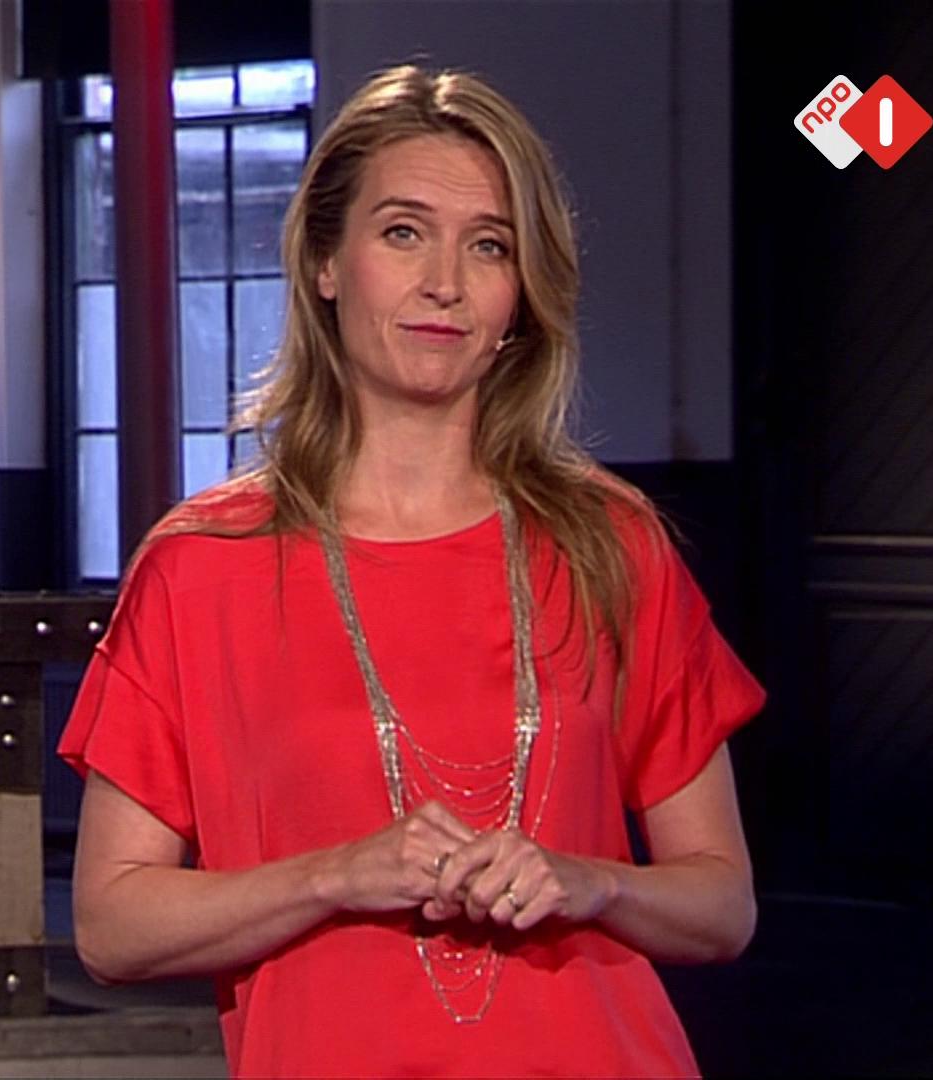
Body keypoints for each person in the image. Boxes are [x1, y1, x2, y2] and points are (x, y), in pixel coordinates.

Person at [60, 66, 765, 1078]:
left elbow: (722, 904)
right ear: (325, 263)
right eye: (403, 232)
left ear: (521, 295)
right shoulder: (202, 567)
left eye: (490, 246)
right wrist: (333, 877)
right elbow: (112, 928)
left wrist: (593, 882)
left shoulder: (611, 542)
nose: (446, 283)